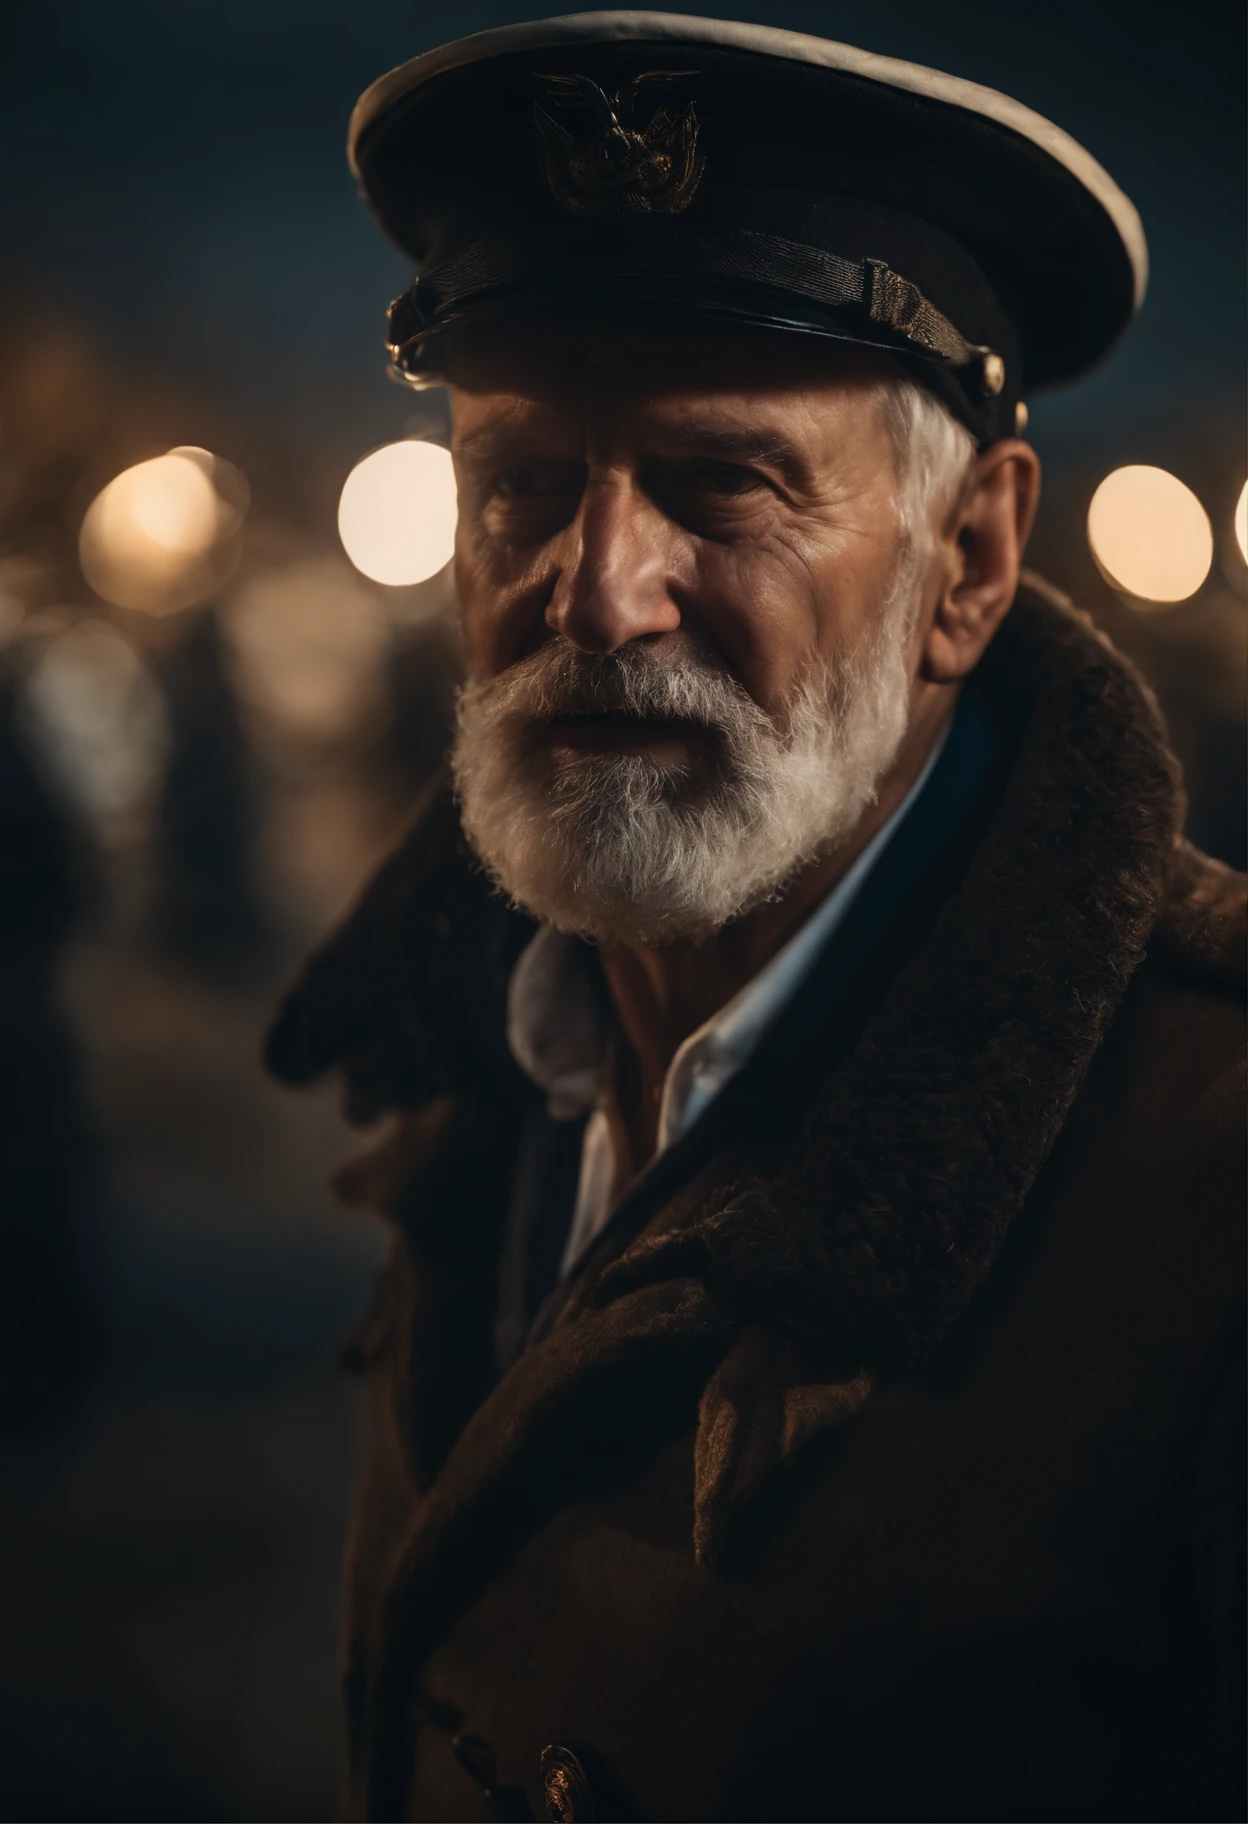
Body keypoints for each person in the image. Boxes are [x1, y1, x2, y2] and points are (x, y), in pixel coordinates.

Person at [267, 17, 1245, 1821]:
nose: (598, 589)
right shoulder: (484, 1040)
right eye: (521, 486)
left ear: (968, 562)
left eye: (725, 482)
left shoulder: (1213, 1164)